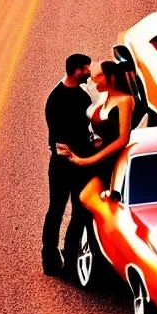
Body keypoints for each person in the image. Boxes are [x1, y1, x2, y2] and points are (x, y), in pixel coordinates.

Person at [58, 60, 135, 212]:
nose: (93, 80)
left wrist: (88, 160)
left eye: (98, 76)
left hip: (109, 161)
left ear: (111, 77)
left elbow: (122, 139)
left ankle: (112, 227)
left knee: (87, 196)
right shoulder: (104, 97)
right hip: (94, 155)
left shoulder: (125, 100)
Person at [42, 53, 93, 277]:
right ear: (75, 70)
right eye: (86, 68)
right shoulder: (59, 99)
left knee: (74, 211)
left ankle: (67, 258)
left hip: (71, 162)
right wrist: (75, 153)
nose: (89, 72)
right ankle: (52, 259)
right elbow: (58, 137)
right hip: (66, 163)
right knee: (59, 210)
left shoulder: (79, 96)